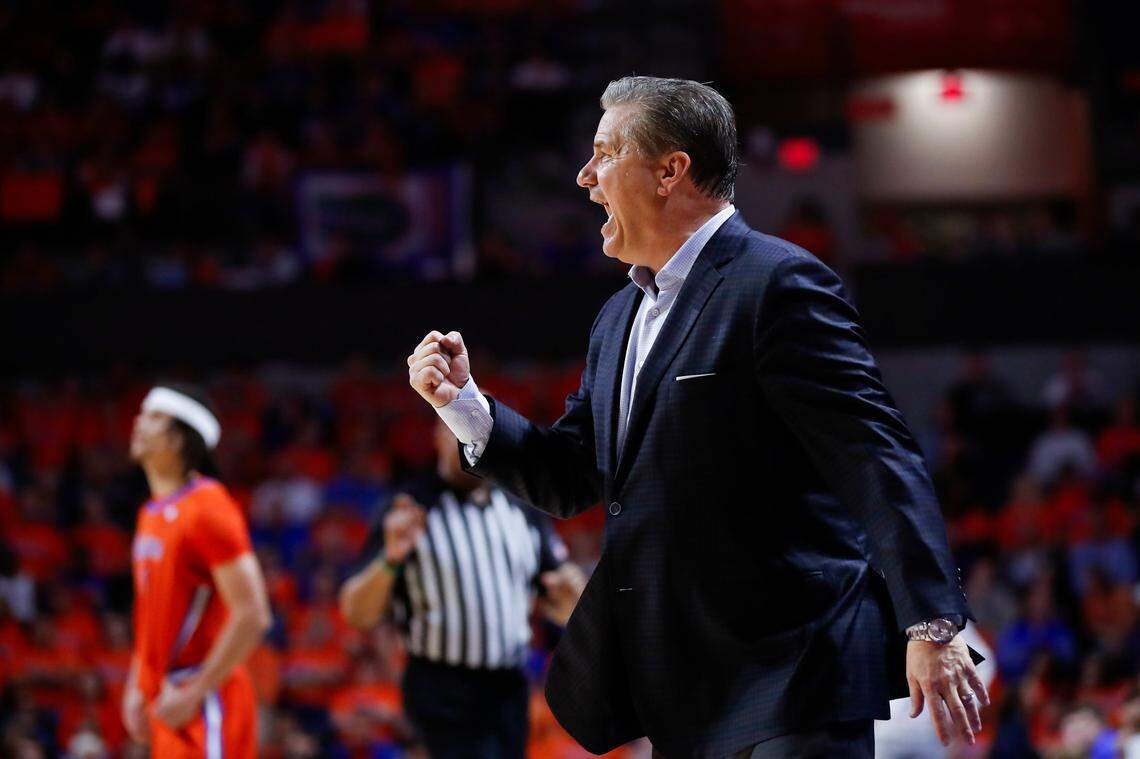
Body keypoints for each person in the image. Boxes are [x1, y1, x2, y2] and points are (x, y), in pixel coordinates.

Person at [407, 76, 988, 758]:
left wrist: (931, 622)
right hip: (685, 691)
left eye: (603, 153)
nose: (585, 176)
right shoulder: (617, 318)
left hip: (796, 672)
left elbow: (875, 455)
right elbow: (570, 476)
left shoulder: (777, 283)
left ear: (669, 169)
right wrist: (463, 405)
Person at [339, 420, 585, 758]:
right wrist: (390, 560)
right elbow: (357, 613)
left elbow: (562, 602)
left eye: (481, 428)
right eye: (459, 427)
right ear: (438, 435)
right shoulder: (408, 506)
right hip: (441, 685)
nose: (471, 439)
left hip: (509, 686)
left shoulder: (521, 510)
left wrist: (573, 591)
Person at [122, 384, 271, 758]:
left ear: (180, 439)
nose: (138, 423)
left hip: (206, 699)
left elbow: (253, 614)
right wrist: (136, 686)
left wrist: (196, 692)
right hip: (169, 696)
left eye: (154, 416)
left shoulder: (208, 507)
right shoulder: (151, 513)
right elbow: (152, 615)